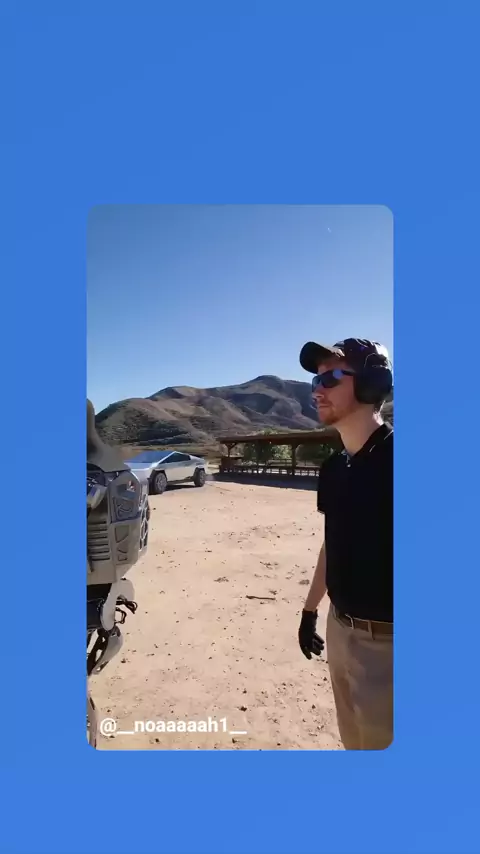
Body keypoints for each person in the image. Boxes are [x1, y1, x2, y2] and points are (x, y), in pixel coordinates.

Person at [297, 338, 393, 750]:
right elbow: (331, 542)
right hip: (339, 630)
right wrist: (309, 611)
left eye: (332, 377)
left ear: (372, 384)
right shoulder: (334, 468)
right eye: (315, 381)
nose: (318, 389)